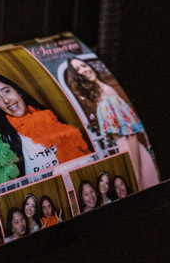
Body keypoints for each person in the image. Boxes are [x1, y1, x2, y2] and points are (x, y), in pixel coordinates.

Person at [63, 57, 160, 189]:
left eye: (84, 66)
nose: (84, 71)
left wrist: (136, 174)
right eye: (78, 70)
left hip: (135, 156)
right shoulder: (99, 96)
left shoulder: (108, 92)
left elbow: (131, 135)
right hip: (125, 154)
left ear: (90, 66)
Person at [0, 72, 91, 174]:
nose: (6, 100)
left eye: (7, 91)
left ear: (18, 92)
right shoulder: (5, 141)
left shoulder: (50, 118)